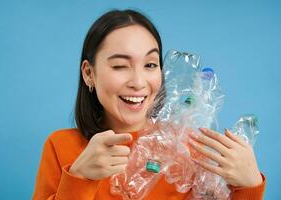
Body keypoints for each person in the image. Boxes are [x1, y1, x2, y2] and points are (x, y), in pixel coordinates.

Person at [32, 9, 265, 200]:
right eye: (120, 66)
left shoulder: (189, 149)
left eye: (150, 65)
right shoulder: (61, 147)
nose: (138, 82)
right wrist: (79, 178)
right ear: (89, 73)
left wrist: (249, 187)